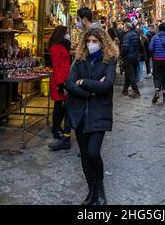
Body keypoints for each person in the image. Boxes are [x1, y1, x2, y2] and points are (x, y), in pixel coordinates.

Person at [65, 28, 118, 205]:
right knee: (85, 155)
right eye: (89, 40)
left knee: (93, 152)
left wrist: (84, 82)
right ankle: (92, 191)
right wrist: (90, 92)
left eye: (95, 41)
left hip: (99, 113)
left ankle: (101, 191)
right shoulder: (79, 60)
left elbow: (107, 85)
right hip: (80, 113)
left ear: (102, 42)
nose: (91, 44)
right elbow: (69, 84)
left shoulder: (110, 60)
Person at [48, 26, 72, 145]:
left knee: (63, 105)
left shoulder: (63, 45)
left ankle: (58, 126)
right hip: (60, 80)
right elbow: (56, 66)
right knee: (59, 105)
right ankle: (56, 128)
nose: (68, 35)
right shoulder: (55, 47)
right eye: (66, 33)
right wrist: (60, 84)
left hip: (65, 79)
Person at [121, 22, 141, 98]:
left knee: (131, 75)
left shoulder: (126, 36)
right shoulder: (135, 34)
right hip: (135, 57)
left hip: (128, 57)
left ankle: (136, 91)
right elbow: (139, 45)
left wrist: (121, 55)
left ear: (127, 28)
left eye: (124, 27)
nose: (123, 28)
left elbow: (125, 48)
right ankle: (125, 90)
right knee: (128, 74)